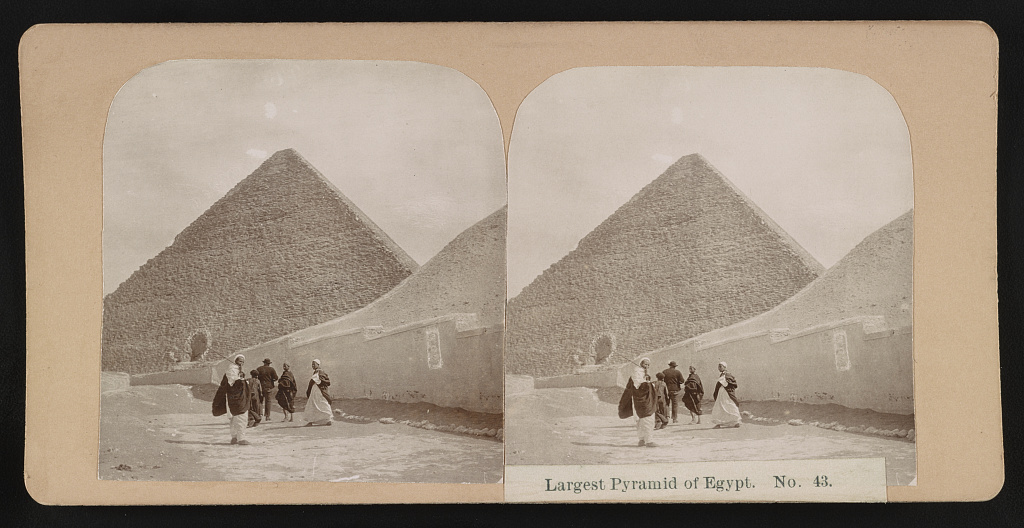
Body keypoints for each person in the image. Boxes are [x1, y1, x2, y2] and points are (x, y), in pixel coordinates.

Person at [211, 354, 252, 445]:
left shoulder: (236, 370)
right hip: (236, 399)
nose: (241, 363)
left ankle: (234, 438)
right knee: (241, 417)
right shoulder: (232, 370)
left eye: (243, 362)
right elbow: (234, 383)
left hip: (236, 398)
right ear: (235, 361)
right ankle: (241, 438)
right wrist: (241, 378)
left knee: (234, 419)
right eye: (240, 361)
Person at [617, 357, 658, 447]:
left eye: (648, 365)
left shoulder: (642, 372)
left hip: (644, 400)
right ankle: (649, 441)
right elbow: (639, 386)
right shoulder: (637, 372)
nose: (646, 366)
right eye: (645, 364)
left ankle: (642, 440)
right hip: (642, 401)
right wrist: (648, 383)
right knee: (648, 420)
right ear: (641, 364)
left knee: (642, 421)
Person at [711, 361, 741, 428]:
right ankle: (719, 423)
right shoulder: (722, 375)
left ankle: (736, 421)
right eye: (718, 366)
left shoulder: (728, 374)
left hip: (727, 393)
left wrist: (725, 383)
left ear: (724, 367)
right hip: (721, 393)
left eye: (720, 366)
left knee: (730, 405)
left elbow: (733, 384)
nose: (719, 368)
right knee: (720, 407)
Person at [304, 359, 333, 426]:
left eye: (314, 364)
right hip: (315, 391)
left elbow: (324, 381)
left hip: (319, 391)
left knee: (321, 403)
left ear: (318, 364)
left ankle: (328, 419)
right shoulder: (316, 372)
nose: (313, 366)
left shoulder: (320, 372)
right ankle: (312, 421)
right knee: (315, 404)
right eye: (312, 364)